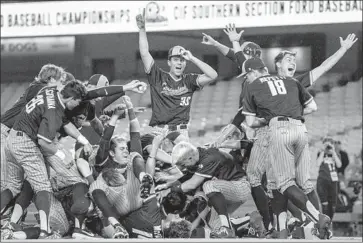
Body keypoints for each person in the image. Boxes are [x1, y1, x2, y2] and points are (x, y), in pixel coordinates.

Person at [241, 57, 332, 239]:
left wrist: (271, 118)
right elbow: (313, 107)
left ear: (253, 72)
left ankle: (317, 217)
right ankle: (283, 230)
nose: (246, 79)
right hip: (300, 129)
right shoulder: (291, 80)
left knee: (282, 183)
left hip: (277, 131)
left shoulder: (252, 86)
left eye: (247, 75)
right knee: (288, 183)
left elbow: (250, 122)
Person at [0, 81, 87, 239]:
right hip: (25, 143)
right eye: (78, 102)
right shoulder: (53, 112)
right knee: (43, 187)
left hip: (12, 138)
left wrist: (83, 140)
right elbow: (43, 142)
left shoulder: (51, 92)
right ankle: (44, 230)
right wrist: (62, 155)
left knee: (12, 186)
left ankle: (12, 222)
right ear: (71, 99)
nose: (78, 105)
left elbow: (65, 122)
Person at [136, 9, 218, 138]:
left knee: (183, 157)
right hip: (160, 131)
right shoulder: (158, 76)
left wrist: (192, 58)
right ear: (169, 62)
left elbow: (213, 75)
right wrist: (142, 30)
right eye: (175, 60)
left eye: (182, 60)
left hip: (181, 132)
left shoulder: (189, 80)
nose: (179, 63)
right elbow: (144, 53)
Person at [156, 141, 251, 238]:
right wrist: (167, 185)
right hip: (225, 191)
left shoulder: (208, 157)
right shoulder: (197, 156)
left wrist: (171, 190)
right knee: (213, 223)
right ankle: (249, 221)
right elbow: (189, 176)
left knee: (208, 186)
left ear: (190, 158)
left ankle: (226, 227)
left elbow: (192, 184)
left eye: (184, 164)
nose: (183, 168)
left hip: (240, 186)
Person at [316, 137, 342, 221]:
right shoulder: (321, 153)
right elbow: (317, 163)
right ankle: (324, 225)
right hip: (322, 180)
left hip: (333, 182)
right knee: (325, 204)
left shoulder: (336, 154)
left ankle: (329, 223)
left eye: (329, 144)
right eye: (326, 144)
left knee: (333, 205)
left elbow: (339, 165)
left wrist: (333, 151)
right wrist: (323, 151)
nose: (328, 146)